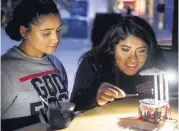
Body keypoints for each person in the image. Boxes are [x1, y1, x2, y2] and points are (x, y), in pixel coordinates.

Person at [70, 16, 165, 111]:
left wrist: (162, 90)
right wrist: (95, 98)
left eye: (141, 51)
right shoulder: (93, 63)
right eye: (125, 49)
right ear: (113, 47)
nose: (133, 59)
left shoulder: (155, 69)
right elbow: (74, 105)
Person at [1, 0, 69, 130]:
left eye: (58, 30)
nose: (56, 38)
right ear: (24, 32)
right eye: (46, 33)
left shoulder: (55, 63)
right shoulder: (4, 71)